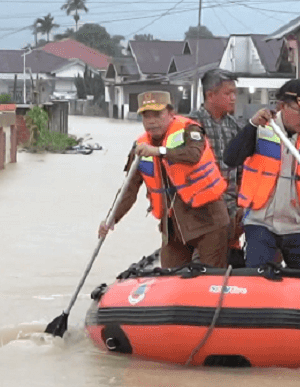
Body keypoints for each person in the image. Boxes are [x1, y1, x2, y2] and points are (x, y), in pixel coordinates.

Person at [223, 78, 300, 273]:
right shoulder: (261, 129)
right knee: (259, 282)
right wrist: (251, 126)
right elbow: (231, 158)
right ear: (282, 106)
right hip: (261, 223)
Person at [99, 91, 232, 268]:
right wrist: (111, 220)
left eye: (157, 115)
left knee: (209, 281)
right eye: (146, 116)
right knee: (169, 278)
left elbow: (194, 154)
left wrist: (160, 152)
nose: (151, 121)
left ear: (171, 113)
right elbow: (129, 190)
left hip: (208, 221)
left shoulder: (190, 131)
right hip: (173, 229)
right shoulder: (140, 148)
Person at [189, 69, 244, 208]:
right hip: (201, 207)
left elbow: (241, 168)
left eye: (234, 93)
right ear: (210, 95)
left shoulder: (234, 126)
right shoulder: (191, 125)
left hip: (231, 205)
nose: (233, 98)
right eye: (228, 93)